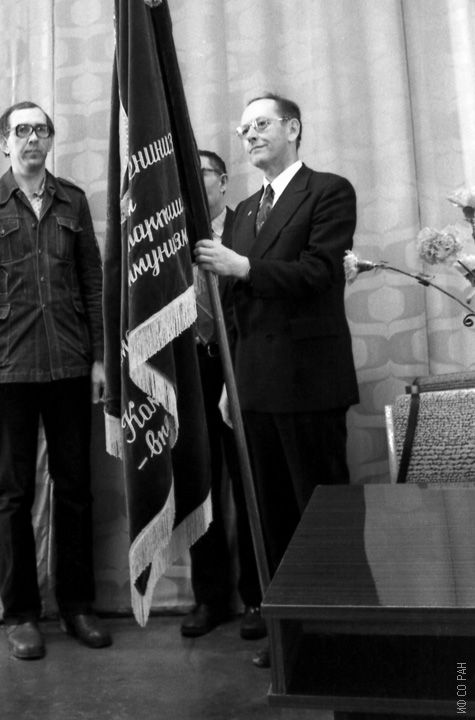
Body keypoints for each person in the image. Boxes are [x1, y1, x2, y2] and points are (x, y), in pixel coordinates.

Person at [194, 94, 359, 667]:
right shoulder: (243, 211)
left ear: (293, 128)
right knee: (272, 519)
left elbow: (318, 273)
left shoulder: (329, 191)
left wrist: (243, 266)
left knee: (322, 515)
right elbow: (234, 309)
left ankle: (339, 634)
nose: (250, 135)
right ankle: (291, 635)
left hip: (309, 382)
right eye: (244, 129)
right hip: (254, 385)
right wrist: (229, 382)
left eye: (261, 124)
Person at [0, 101, 111, 660]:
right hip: (8, 369)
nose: (32, 139)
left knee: (75, 490)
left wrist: (100, 361)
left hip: (70, 364)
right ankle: (21, 614)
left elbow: (93, 282)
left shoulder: (74, 200)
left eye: (40, 130)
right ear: (4, 142)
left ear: (50, 140)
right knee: (13, 494)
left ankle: (77, 606)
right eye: (21, 130)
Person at [180, 151, 265, 641]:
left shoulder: (248, 226)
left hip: (241, 364)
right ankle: (209, 597)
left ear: (224, 181)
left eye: (202, 174)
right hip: (192, 369)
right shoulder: (167, 239)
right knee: (201, 484)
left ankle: (258, 596)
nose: (193, 184)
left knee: (251, 481)